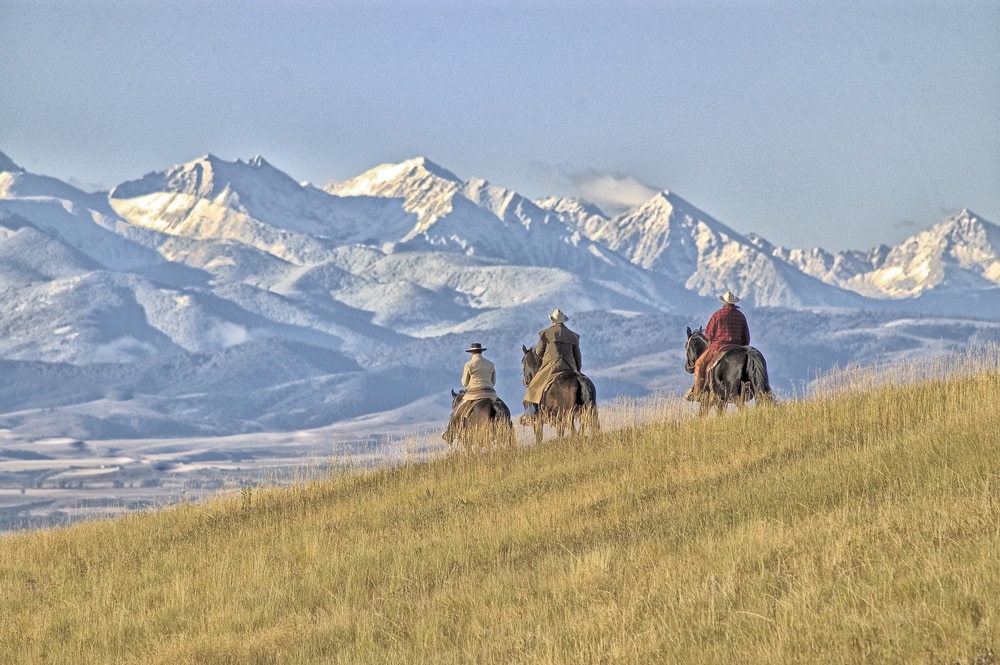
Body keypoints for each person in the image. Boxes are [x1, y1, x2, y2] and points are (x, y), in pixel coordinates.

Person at [685, 290, 750, 401]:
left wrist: (712, 342)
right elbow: (746, 338)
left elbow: (708, 335)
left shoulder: (717, 315)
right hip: (738, 349)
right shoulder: (741, 316)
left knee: (699, 364)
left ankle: (697, 392)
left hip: (719, 348)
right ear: (734, 303)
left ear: (723, 303)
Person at [522, 308, 581, 422]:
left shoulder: (546, 333)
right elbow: (578, 356)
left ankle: (530, 415)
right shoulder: (572, 335)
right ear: (563, 321)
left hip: (552, 366)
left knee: (533, 387)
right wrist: (577, 370)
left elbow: (538, 352)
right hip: (570, 366)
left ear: (552, 321)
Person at [443, 343, 497, 441]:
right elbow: (493, 382)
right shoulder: (490, 364)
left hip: (474, 394)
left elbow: (464, 382)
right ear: (481, 351)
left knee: (456, 412)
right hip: (491, 394)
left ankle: (449, 434)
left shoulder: (469, 365)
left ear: (472, 352)